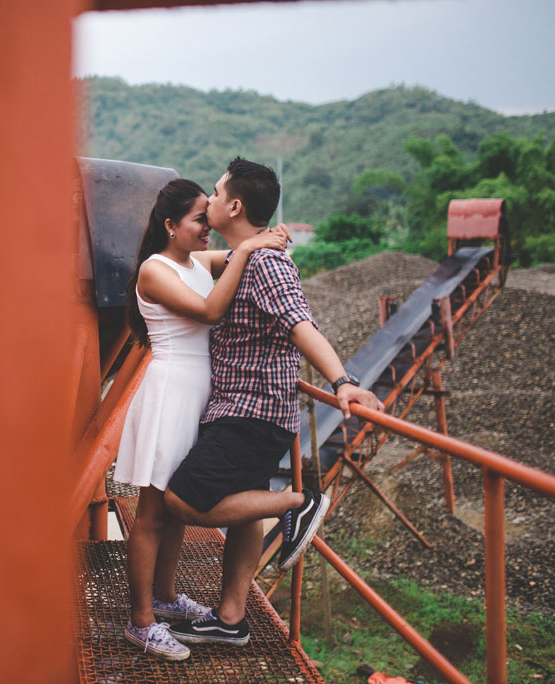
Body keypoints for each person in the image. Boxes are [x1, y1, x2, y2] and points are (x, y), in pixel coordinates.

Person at [163, 158, 384, 647]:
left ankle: (301, 503)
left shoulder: (267, 263)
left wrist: (342, 380)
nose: (210, 202)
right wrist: (245, 247)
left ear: (235, 205)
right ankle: (230, 618)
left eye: (216, 195)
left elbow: (300, 322)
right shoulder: (250, 255)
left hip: (251, 411)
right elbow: (182, 260)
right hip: (248, 409)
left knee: (182, 499)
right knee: (243, 511)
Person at [114, 178, 290, 661]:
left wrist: (258, 243)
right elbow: (213, 309)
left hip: (200, 396)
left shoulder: (195, 262)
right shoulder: (155, 270)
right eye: (197, 219)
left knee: (177, 505)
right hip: (171, 395)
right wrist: (253, 243)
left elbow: (236, 261)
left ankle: (166, 597)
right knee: (152, 514)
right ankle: (141, 620)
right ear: (171, 226)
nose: (206, 227)